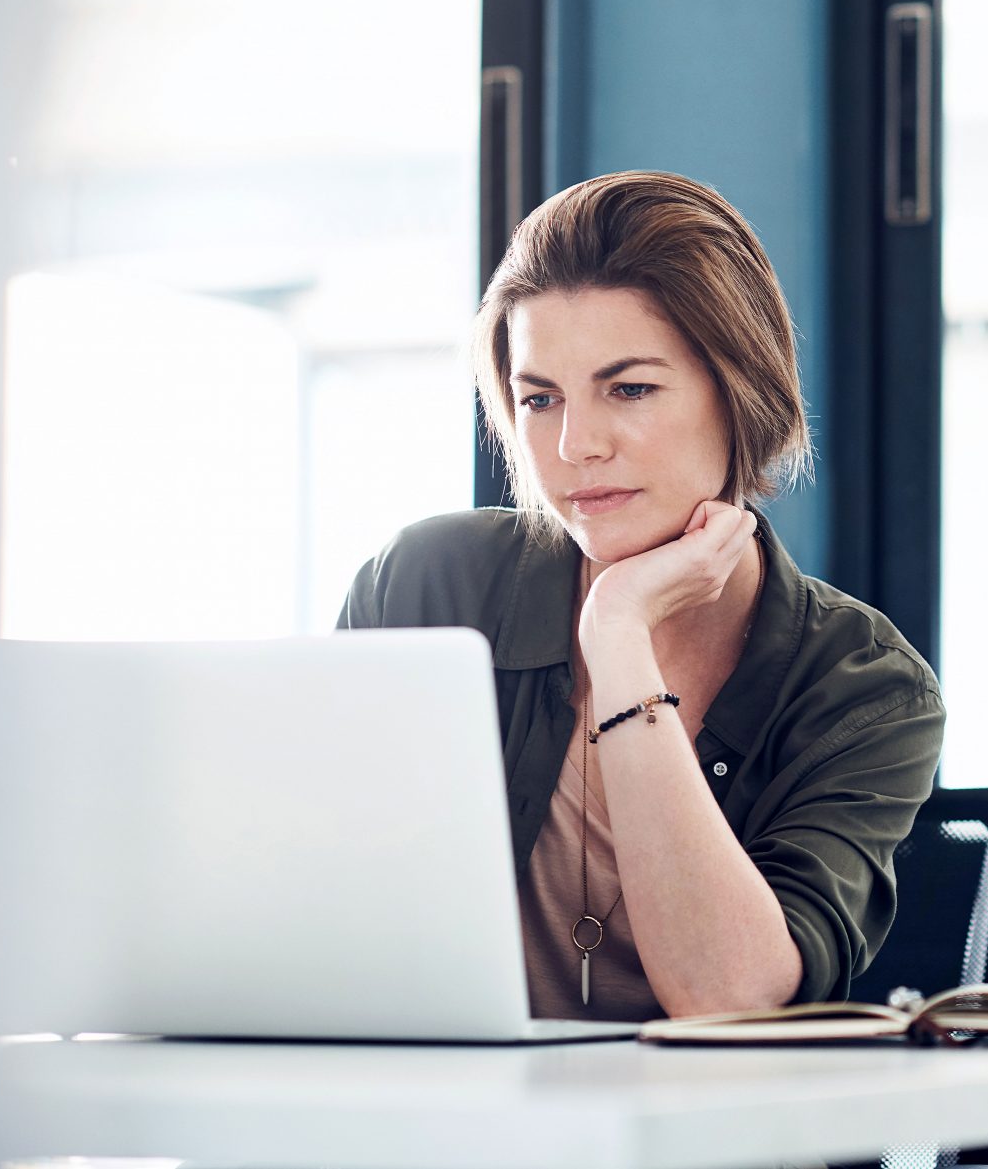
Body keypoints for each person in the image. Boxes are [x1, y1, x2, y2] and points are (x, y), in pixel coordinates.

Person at [338, 170, 943, 1022]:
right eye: (539, 399)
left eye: (629, 389)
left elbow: (725, 995)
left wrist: (618, 635)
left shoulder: (863, 687)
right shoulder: (429, 586)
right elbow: (308, 901)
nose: (575, 445)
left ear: (740, 395)